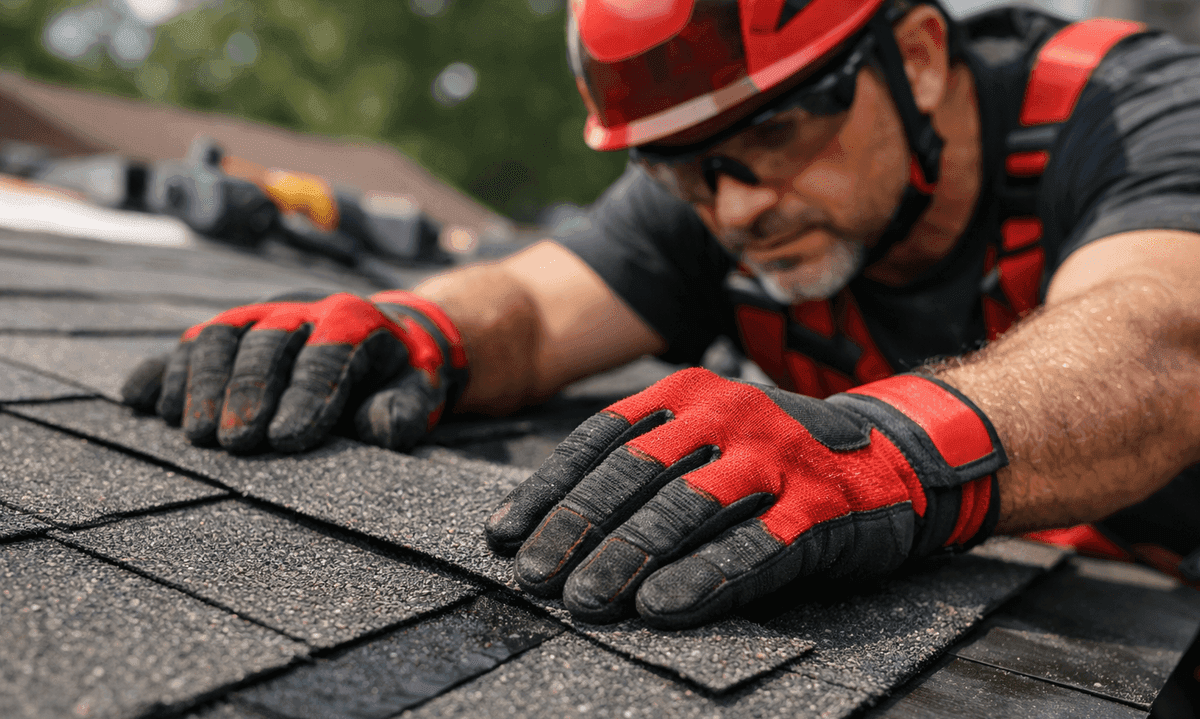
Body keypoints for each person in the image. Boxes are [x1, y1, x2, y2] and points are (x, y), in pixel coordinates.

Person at [122, 0, 1200, 630]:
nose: (735, 206)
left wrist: (883, 455)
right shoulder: (722, 178)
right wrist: (415, 325)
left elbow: (1160, 338)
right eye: (680, 168)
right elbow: (538, 310)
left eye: (778, 134)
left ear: (915, 59)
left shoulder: (1137, 108)